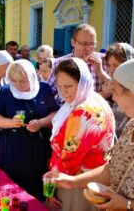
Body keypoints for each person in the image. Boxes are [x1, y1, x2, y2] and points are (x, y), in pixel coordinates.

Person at [44, 58, 134, 211]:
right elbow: (113, 168)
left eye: (116, 91)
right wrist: (72, 181)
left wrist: (126, 204)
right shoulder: (133, 125)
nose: (114, 98)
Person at [47, 58, 115, 211]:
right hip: (93, 181)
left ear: (82, 81)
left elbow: (69, 158)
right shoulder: (94, 98)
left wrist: (51, 184)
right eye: (59, 86)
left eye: (69, 86)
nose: (63, 92)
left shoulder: (82, 112)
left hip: (76, 183)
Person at [0, 60, 59, 201]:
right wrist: (11, 122)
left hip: (38, 148)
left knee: (35, 185)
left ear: (32, 76)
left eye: (22, 81)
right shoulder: (6, 91)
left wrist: (41, 123)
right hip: (12, 147)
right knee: (12, 185)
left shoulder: (44, 89)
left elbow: (55, 114)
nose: (18, 86)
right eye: (14, 81)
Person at [48, 24, 110, 106]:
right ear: (73, 42)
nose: (87, 48)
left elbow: (113, 88)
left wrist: (100, 71)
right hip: (67, 112)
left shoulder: (104, 60)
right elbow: (50, 92)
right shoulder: (60, 63)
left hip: (96, 113)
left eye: (92, 44)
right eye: (84, 43)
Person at [101, 43, 134, 137]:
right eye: (109, 65)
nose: (111, 70)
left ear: (128, 63)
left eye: (116, 65)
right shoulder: (114, 83)